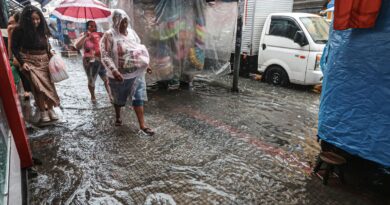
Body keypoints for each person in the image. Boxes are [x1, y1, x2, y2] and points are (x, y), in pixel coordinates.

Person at [101, 9, 154, 135]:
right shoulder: (109, 35)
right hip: (118, 76)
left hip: (136, 73)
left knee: (138, 97)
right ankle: (118, 115)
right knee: (118, 99)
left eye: (125, 22)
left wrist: (146, 65)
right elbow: (105, 55)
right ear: (114, 21)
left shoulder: (132, 33)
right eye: (121, 22)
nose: (124, 25)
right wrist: (114, 71)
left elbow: (139, 50)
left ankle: (142, 125)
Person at [12, 5, 60, 123]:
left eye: (37, 19)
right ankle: (43, 111)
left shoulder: (42, 28)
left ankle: (51, 109)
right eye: (32, 19)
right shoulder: (19, 30)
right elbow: (14, 47)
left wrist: (50, 51)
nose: (35, 22)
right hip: (29, 61)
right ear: (26, 19)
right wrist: (22, 63)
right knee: (38, 88)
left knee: (49, 86)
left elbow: (46, 44)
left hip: (45, 60)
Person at [74, 21, 111, 103]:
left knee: (106, 79)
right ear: (87, 27)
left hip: (101, 61)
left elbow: (107, 46)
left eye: (95, 26)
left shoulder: (99, 34)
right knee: (91, 80)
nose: (94, 28)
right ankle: (93, 96)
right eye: (91, 26)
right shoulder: (83, 35)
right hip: (90, 62)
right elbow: (77, 46)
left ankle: (110, 95)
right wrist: (85, 37)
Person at [7, 12, 32, 100]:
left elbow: (10, 44)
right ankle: (28, 91)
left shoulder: (11, 28)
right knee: (26, 73)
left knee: (22, 73)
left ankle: (27, 91)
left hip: (18, 55)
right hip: (27, 55)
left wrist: (10, 57)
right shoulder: (28, 28)